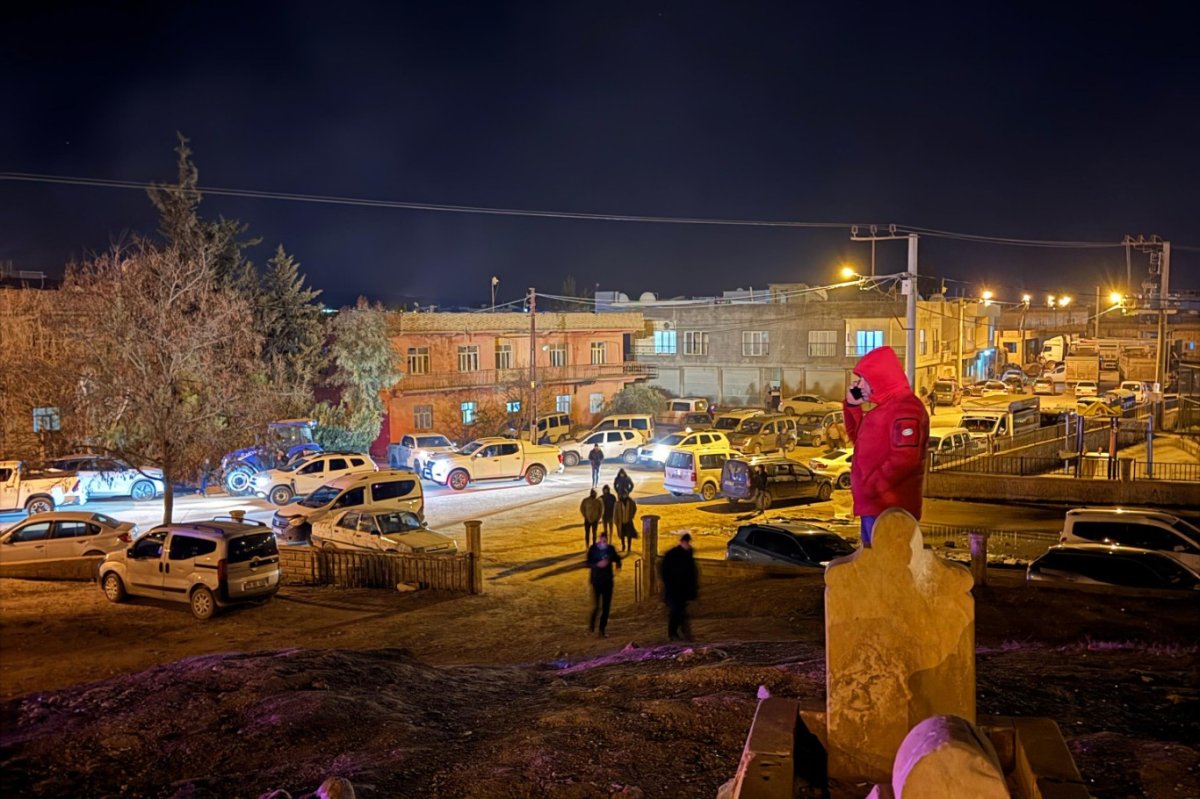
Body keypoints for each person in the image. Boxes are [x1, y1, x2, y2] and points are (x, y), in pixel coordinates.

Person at [843, 345, 930, 547]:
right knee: (875, 567)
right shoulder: (885, 409)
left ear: (879, 378)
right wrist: (852, 406)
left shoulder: (906, 409)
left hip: (890, 510)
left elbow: (905, 459)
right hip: (875, 507)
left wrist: (873, 486)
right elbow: (858, 440)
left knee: (888, 570)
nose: (859, 384)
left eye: (864, 379)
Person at [661, 531, 698, 641]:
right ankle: (674, 633)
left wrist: (692, 590)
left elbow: (692, 573)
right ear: (682, 542)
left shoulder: (688, 554)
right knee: (676, 611)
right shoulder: (672, 555)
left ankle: (682, 633)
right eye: (686, 542)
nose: (687, 544)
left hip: (683, 590)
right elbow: (665, 571)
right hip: (674, 589)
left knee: (681, 611)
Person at [586, 531, 622, 637]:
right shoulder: (593, 549)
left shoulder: (610, 549)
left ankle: (602, 630)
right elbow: (588, 563)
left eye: (606, 540)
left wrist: (618, 566)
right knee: (596, 606)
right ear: (600, 539)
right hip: (597, 581)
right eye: (603, 540)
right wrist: (597, 564)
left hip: (607, 582)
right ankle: (591, 626)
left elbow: (617, 558)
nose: (604, 542)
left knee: (606, 608)